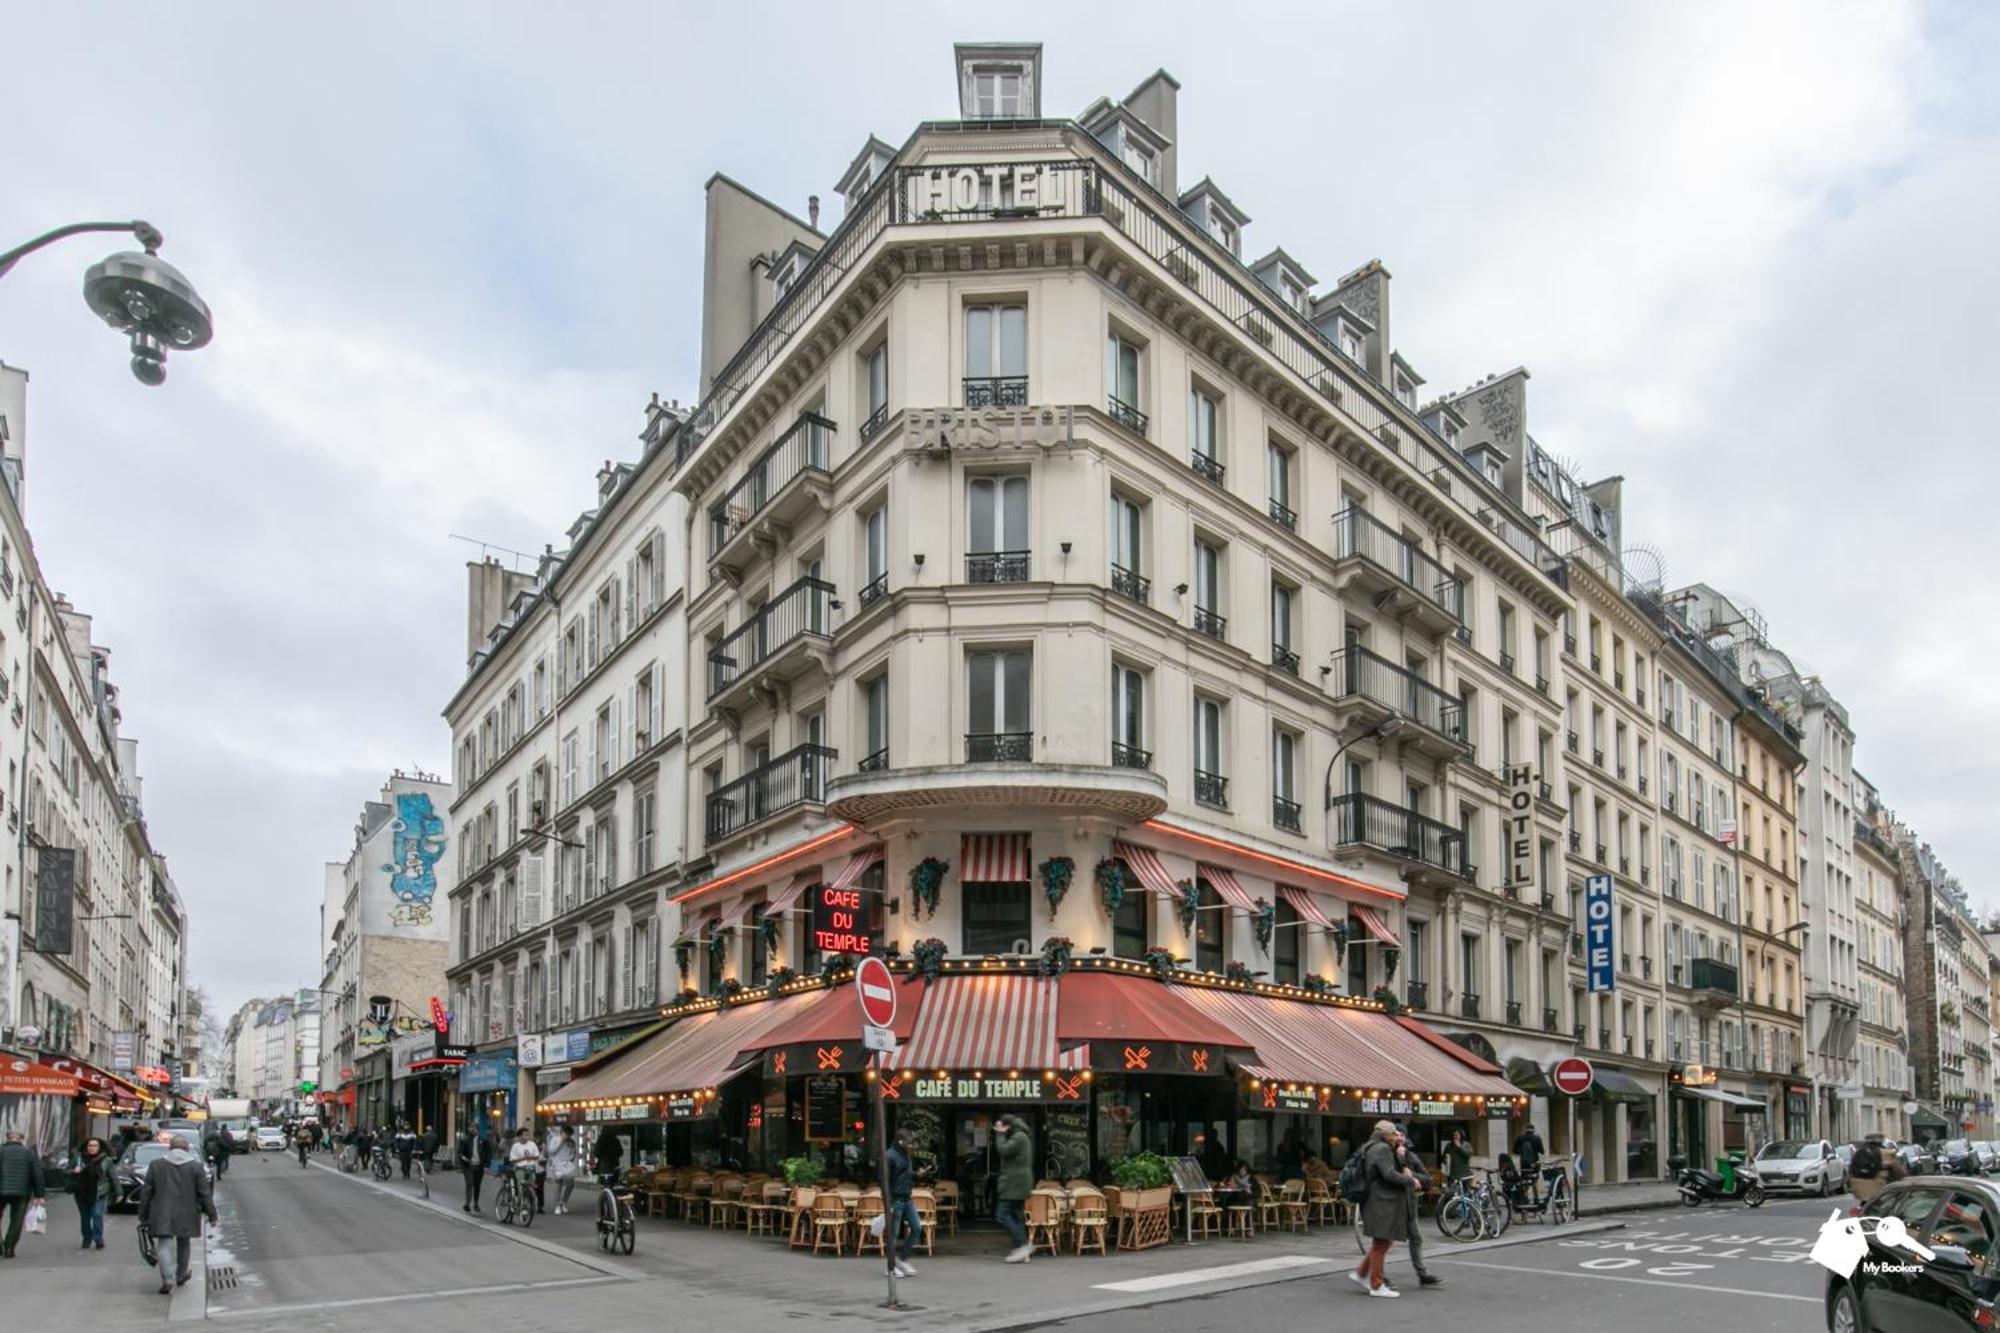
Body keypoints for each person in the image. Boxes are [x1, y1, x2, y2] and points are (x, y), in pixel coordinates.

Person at [137, 1134, 215, 1295]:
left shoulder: (156, 1165)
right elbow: (204, 1193)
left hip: (161, 1211)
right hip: (187, 1211)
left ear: (170, 1147)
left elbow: (146, 1192)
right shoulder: (195, 1167)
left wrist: (143, 1213)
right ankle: (181, 1275)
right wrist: (212, 1214)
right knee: (184, 1242)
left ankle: (167, 1279)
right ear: (187, 1149)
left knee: (164, 1244)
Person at [1348, 1120, 1412, 1298]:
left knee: (1382, 1241)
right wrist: (1409, 1179)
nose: (1395, 1136)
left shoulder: (1369, 1146)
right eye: (1393, 1133)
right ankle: (1376, 1285)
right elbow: (1388, 1174)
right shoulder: (1382, 1149)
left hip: (1375, 1198)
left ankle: (1361, 1273)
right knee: (1382, 1242)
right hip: (1382, 1200)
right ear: (1385, 1134)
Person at [1393, 1133, 1443, 1288]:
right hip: (1391, 1203)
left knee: (1415, 1238)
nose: (1399, 1139)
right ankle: (1374, 1275)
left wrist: (1411, 1174)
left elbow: (1427, 1180)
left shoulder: (1411, 1156)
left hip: (1409, 1203)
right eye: (1396, 1135)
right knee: (1383, 1242)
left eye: (1401, 1135)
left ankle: (1422, 1274)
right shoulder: (1385, 1153)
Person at [0, 1128, 47, 1259]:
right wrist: (39, 1195)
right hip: (21, 1193)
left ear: (7, 1138)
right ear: (21, 1139)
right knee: (17, 1220)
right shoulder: (29, 1154)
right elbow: (37, 1175)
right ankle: (9, 1248)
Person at [993, 1113, 1033, 1263]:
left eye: (1002, 1126)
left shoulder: (1019, 1137)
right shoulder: (1021, 1136)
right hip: (1019, 1183)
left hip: (1014, 1184)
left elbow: (1003, 1150)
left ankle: (1023, 1246)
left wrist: (999, 1134)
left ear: (1007, 1125)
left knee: (1002, 1215)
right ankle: (1021, 1250)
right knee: (1016, 1216)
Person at [884, 1128, 921, 1278]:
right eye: (909, 1143)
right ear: (900, 1141)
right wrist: (888, 1201)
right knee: (893, 1234)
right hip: (895, 1199)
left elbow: (905, 1173)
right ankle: (890, 1266)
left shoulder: (905, 1154)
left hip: (907, 1197)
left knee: (917, 1227)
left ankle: (902, 1260)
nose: (911, 1145)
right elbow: (884, 1180)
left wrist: (916, 1175)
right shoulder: (890, 1156)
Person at [71, 1137, 108, 1250]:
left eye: (95, 1145)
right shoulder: (78, 1159)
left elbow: (112, 1176)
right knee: (85, 1218)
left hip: (98, 1192)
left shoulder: (106, 1160)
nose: (92, 1148)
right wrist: (73, 1171)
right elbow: (65, 1171)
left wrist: (119, 1192)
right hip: (81, 1193)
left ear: (99, 1147)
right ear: (86, 1147)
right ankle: (87, 1238)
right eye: (90, 1145)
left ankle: (98, 1239)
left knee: (97, 1215)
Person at [457, 1124, 492, 1213]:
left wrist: (487, 1165)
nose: (471, 1130)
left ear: (477, 1129)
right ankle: (467, 1203)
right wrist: (463, 1158)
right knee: (469, 1184)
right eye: (470, 1128)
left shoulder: (484, 1140)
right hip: (469, 1166)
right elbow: (460, 1152)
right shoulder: (465, 1140)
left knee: (477, 1185)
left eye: (473, 1128)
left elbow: (488, 1153)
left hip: (479, 1166)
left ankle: (476, 1203)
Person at [547, 1126, 579, 1216]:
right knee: (558, 1185)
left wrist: (571, 1159)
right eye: (566, 1134)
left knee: (570, 1185)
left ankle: (564, 1202)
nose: (567, 1136)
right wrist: (561, 1141)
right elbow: (551, 1151)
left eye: (569, 1134)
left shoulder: (572, 1142)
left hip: (566, 1165)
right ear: (562, 1132)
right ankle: (557, 1205)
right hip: (556, 1165)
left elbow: (573, 1153)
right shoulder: (555, 1139)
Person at [1851, 1134, 1887, 1204]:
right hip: (1880, 1191)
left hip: (1860, 1192)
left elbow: (1851, 1171)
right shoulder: (1885, 1153)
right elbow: (1898, 1171)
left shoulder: (1858, 1152)